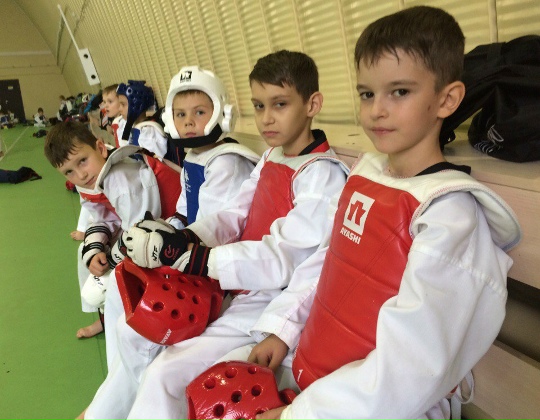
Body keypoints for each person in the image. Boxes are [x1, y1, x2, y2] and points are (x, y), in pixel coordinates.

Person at [237, 7, 520, 420]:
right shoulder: (365, 175)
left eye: (399, 92)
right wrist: (282, 328)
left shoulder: (449, 215)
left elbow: (410, 367)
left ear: (447, 99)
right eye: (367, 94)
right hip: (314, 375)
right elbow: (329, 265)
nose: (376, 111)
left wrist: (297, 416)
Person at [81, 50, 349, 420]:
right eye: (259, 106)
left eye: (280, 104)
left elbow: (286, 258)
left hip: (267, 299)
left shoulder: (322, 174)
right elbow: (234, 215)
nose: (266, 118)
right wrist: (183, 240)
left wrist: (200, 259)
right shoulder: (272, 156)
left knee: (165, 375)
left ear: (312, 104)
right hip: (237, 283)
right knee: (137, 327)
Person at [43, 121, 181, 345]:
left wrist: (109, 260)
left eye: (82, 161)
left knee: (114, 276)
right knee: (85, 252)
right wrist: (95, 250)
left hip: (176, 229)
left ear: (100, 148)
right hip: (142, 227)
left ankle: (128, 316)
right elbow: (103, 219)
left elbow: (139, 233)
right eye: (69, 171)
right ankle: (105, 316)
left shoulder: (120, 178)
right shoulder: (89, 179)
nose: (80, 174)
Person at [116, 80, 169, 160]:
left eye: (123, 104)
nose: (119, 109)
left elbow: (157, 164)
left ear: (136, 105)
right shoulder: (129, 126)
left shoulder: (149, 136)